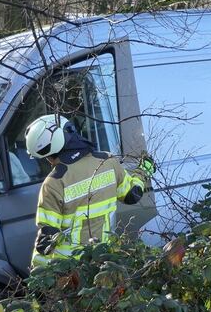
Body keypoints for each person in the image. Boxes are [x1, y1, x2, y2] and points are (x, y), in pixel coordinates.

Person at [24, 114, 155, 269]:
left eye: (47, 157)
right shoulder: (108, 162)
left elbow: (47, 240)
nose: (48, 161)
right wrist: (143, 171)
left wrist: (37, 275)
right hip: (103, 261)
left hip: (68, 270)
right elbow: (132, 195)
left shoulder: (54, 183)